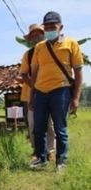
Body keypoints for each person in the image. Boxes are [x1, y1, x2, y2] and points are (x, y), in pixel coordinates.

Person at [30, 11, 83, 170]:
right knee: (38, 129)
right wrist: (32, 96)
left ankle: (61, 161)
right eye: (46, 27)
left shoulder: (71, 44)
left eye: (53, 26)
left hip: (61, 92)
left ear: (61, 27)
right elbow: (34, 73)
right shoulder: (39, 47)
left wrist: (76, 98)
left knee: (60, 129)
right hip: (40, 92)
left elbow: (78, 72)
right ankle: (41, 158)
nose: (49, 30)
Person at [19, 24, 55, 160]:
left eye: (38, 34)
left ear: (44, 34)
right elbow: (23, 74)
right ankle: (37, 151)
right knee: (33, 124)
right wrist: (36, 87)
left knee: (49, 124)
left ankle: (50, 151)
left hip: (51, 93)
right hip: (31, 95)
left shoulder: (53, 51)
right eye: (32, 35)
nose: (35, 37)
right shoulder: (28, 55)